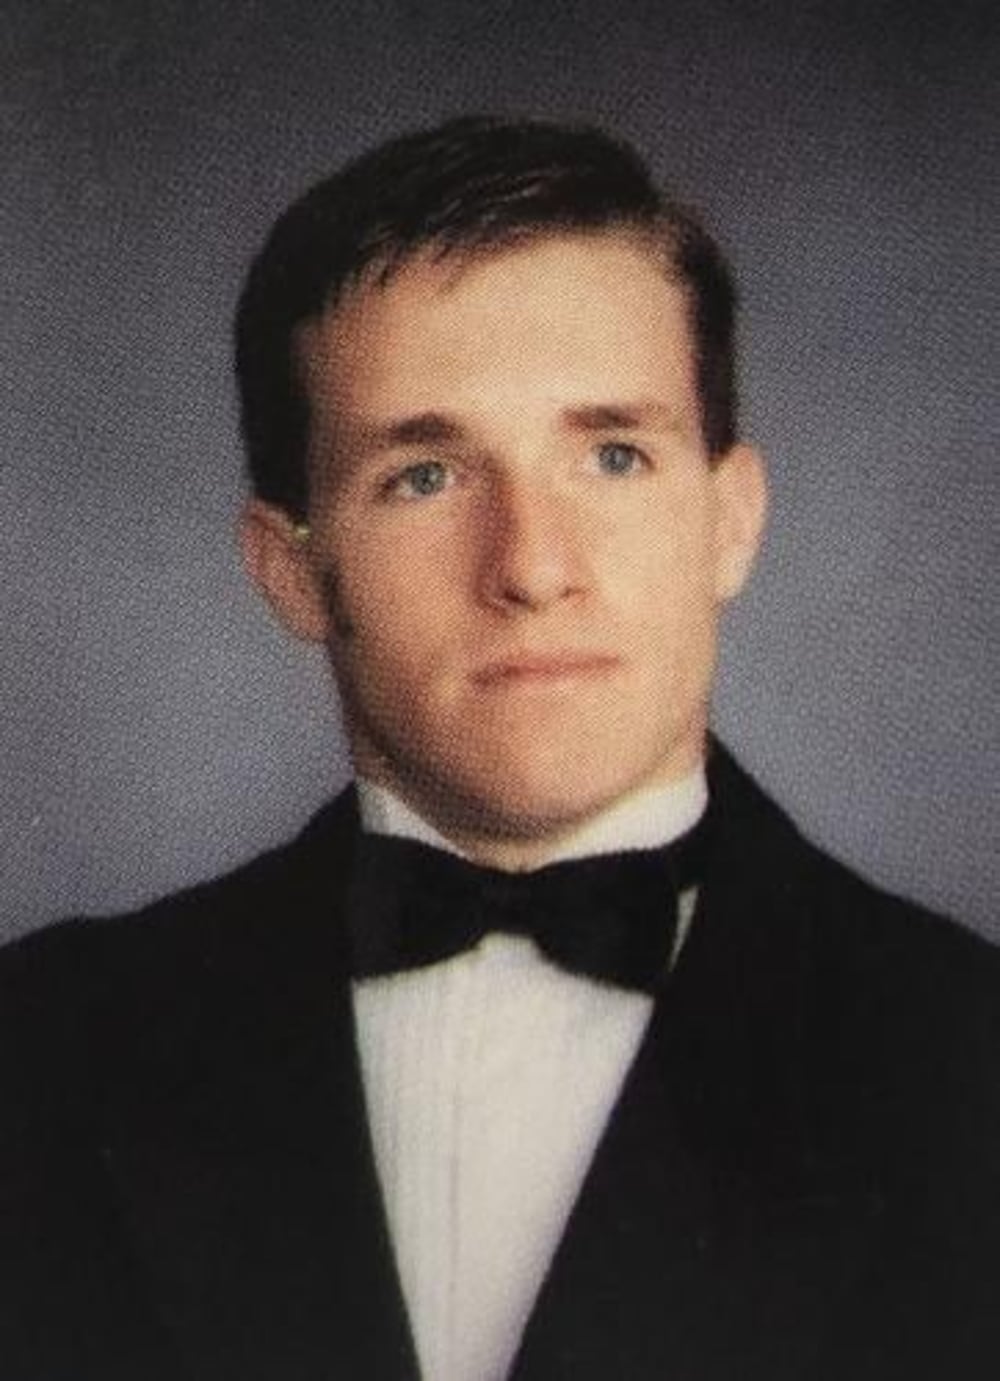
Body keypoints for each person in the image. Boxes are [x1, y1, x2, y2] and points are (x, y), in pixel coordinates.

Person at [0, 116, 997, 1381]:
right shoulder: (38, 1056)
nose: (530, 564)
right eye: (424, 475)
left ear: (729, 520)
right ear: (290, 569)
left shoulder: (965, 1061)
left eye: (613, 455)